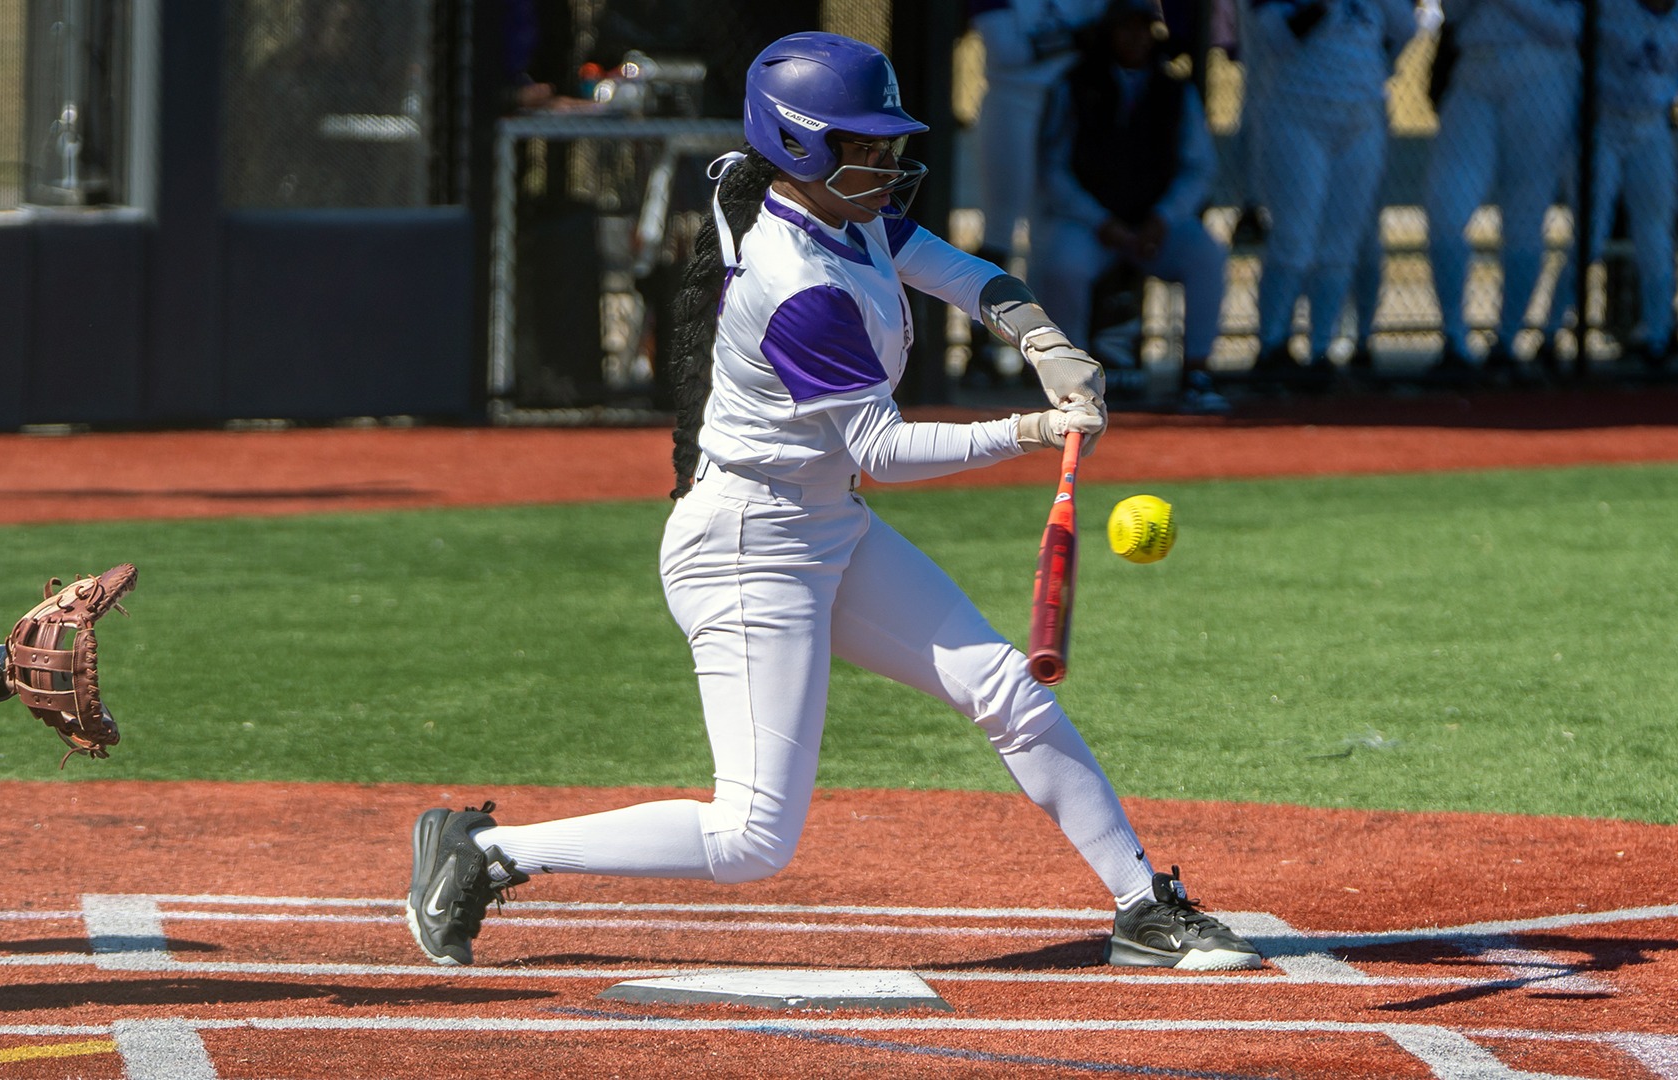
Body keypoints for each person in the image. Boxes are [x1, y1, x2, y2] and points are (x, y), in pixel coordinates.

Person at [404, 31, 1265, 975]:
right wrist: (1027, 430)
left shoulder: (842, 212)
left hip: (824, 523)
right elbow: (884, 452)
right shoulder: (797, 284)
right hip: (747, 545)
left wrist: (1041, 337)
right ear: (803, 148)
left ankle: (1143, 907)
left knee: (1005, 689)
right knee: (752, 840)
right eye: (867, 146)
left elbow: (954, 268)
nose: (888, 163)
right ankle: (488, 853)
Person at [1029, 0, 1232, 413]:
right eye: (1125, 28)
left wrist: (1164, 217)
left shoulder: (1175, 88)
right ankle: (1072, 386)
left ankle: (1197, 373)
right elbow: (1052, 170)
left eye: (1144, 28)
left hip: (1155, 225)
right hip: (1092, 225)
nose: (1135, 37)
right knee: (1063, 266)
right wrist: (1100, 221)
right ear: (1108, 33)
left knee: (1207, 255)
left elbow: (1200, 169)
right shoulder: (1075, 84)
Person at [1246, 0, 1417, 388]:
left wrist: (1379, 64)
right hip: (1296, 116)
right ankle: (1272, 346)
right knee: (1294, 239)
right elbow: (1275, 39)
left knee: (1341, 244)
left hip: (1361, 118)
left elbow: (1405, 28)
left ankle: (1322, 348)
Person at [1422, 0, 1582, 384]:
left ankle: (1508, 341)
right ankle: (1454, 341)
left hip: (1543, 73)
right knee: (1445, 207)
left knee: (1525, 217)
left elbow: (1571, 27)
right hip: (1474, 70)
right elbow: (1453, 13)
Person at [1543, 0, 1678, 373]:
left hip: (1653, 129)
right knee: (1590, 235)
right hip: (1604, 125)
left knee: (1655, 233)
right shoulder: (1608, 9)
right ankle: (1553, 332)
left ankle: (1658, 334)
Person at [965, 0, 1112, 386]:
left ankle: (1052, 353)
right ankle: (979, 351)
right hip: (1011, 101)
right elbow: (1007, 51)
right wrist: (1077, 38)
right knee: (1000, 230)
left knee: (1055, 229)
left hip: (1072, 103)